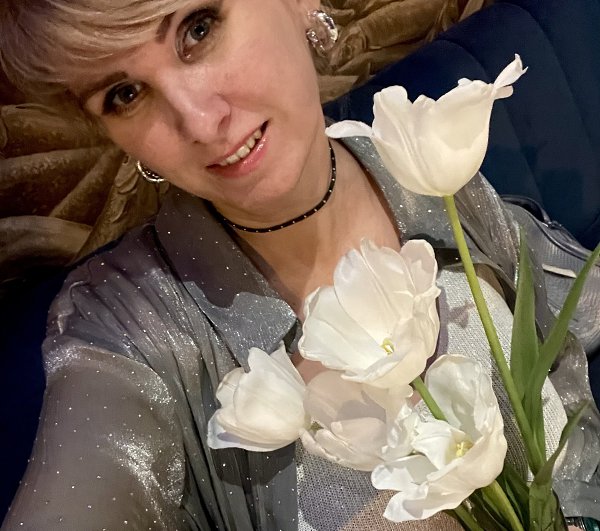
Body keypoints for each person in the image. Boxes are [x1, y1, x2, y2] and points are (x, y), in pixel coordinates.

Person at [0, 1, 598, 529]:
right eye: (125, 95)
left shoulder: (419, 163)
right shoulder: (126, 330)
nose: (201, 123)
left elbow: (562, 353)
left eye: (198, 29)